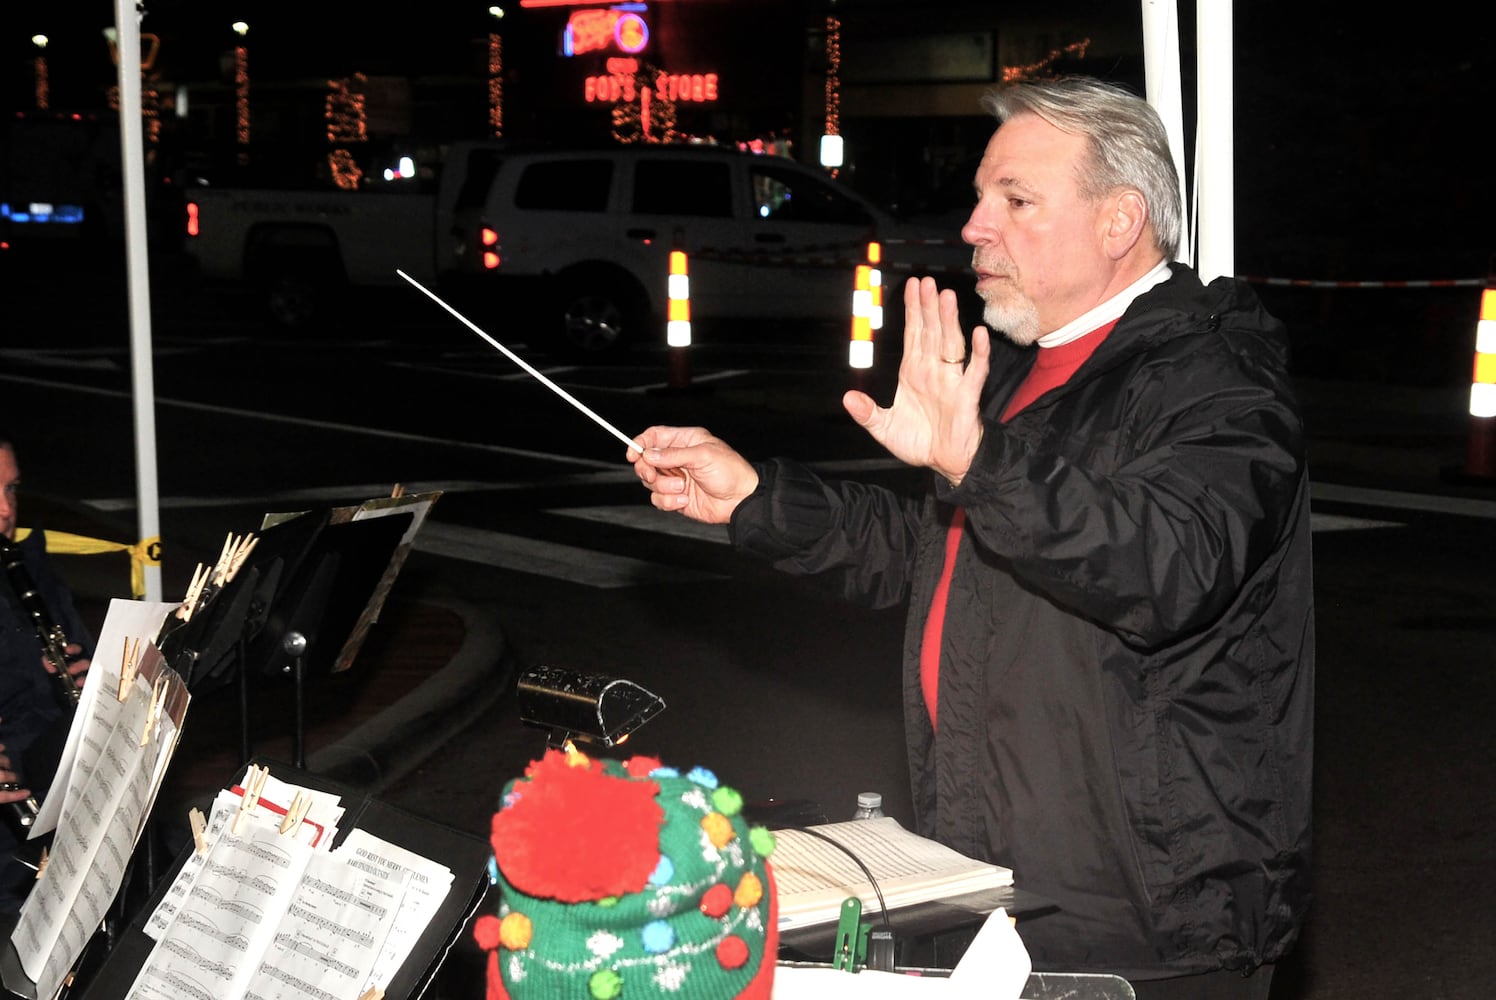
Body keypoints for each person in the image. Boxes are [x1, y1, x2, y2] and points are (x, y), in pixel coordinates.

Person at [629, 76, 1313, 999]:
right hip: (991, 884)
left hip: (1145, 920)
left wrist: (979, 464)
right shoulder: (1025, 369)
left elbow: (1168, 567)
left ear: (1119, 221)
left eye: (1015, 200)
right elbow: (934, 556)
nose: (974, 226)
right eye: (982, 195)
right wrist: (754, 497)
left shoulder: (1214, 378)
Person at [0, 430, 93, 911]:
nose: (5, 511)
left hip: (59, 803)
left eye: (11, 489)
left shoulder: (25, 570)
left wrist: (86, 682)